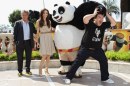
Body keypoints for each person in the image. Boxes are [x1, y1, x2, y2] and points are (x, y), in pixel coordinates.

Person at [64, 6, 116, 84]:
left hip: (97, 49)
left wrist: (107, 15)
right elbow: (84, 19)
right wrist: (93, 13)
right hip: (85, 48)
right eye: (99, 17)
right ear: (95, 18)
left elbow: (114, 23)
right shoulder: (90, 24)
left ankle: (105, 78)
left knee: (104, 61)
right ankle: (68, 77)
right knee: (77, 63)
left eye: (102, 17)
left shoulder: (103, 25)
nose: (101, 19)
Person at [13, 10, 37, 77]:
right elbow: (14, 34)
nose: (24, 16)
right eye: (23, 15)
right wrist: (14, 44)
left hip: (29, 43)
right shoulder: (17, 23)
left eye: (25, 15)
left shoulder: (31, 24)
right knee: (19, 58)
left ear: (27, 15)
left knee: (28, 58)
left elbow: (35, 31)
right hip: (19, 43)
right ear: (21, 15)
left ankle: (28, 70)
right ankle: (20, 71)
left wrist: (40, 25)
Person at [36, 9, 56, 76]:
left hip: (49, 38)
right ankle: (40, 69)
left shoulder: (49, 21)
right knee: (44, 55)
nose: (45, 14)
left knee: (48, 55)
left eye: (46, 13)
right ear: (41, 14)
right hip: (43, 38)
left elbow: (50, 30)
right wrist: (37, 42)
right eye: (44, 13)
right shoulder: (38, 21)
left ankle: (46, 70)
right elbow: (37, 33)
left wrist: (55, 29)